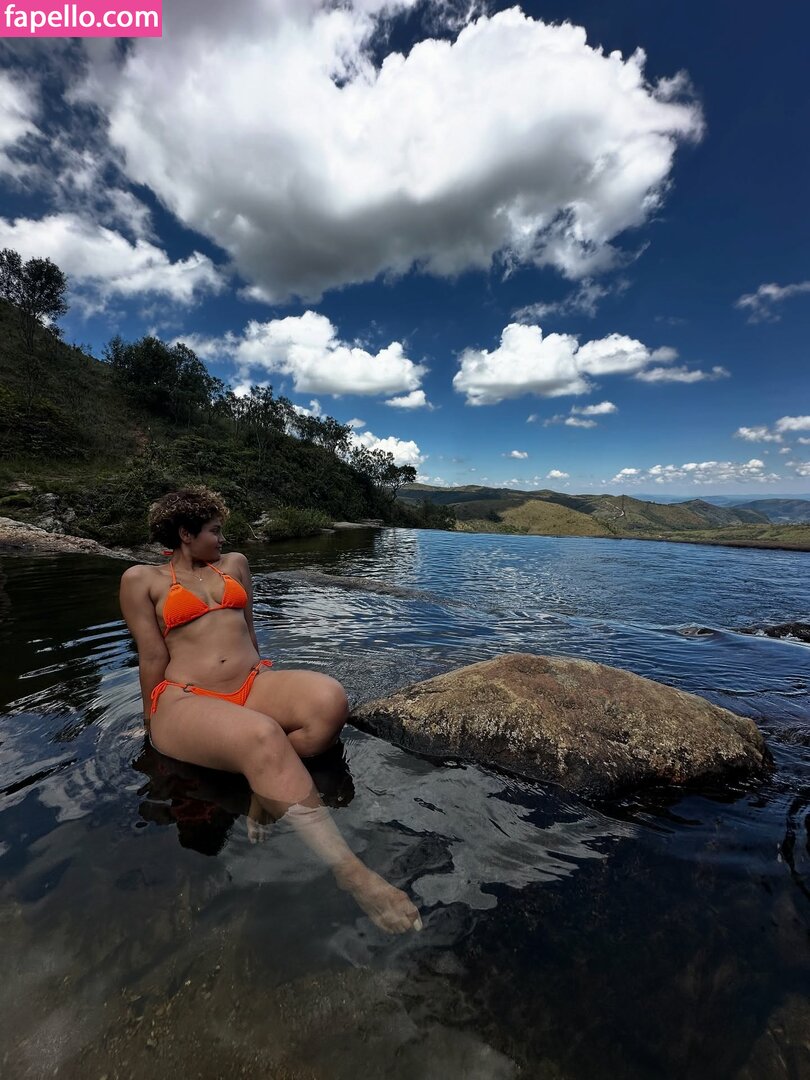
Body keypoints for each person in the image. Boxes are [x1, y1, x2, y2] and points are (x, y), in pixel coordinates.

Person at [119, 487, 421, 933]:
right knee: (262, 735)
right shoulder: (141, 579)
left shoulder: (235, 564)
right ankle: (352, 873)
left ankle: (267, 784)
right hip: (187, 698)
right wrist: (151, 721)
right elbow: (150, 656)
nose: (222, 538)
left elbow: (249, 632)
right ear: (185, 533)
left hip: (249, 683)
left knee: (329, 699)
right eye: (214, 530)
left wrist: (262, 679)